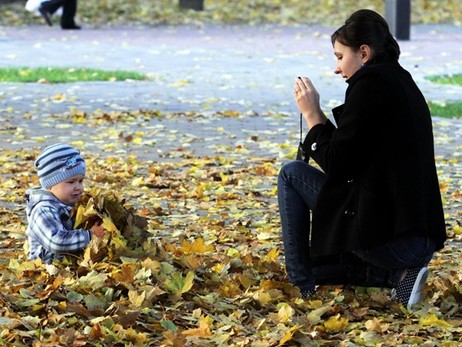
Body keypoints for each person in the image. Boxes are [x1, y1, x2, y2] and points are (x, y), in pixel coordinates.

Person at [277, 9, 446, 310]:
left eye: (340, 57)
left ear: (364, 52)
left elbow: (339, 166)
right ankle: (399, 277)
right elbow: (350, 156)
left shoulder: (371, 87)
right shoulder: (398, 81)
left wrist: (312, 115)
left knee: (291, 173)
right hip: (417, 239)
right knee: (327, 258)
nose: (336, 68)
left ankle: (301, 286)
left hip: (396, 241)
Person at [25, 143, 106, 264]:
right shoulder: (43, 209)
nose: (78, 187)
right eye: (71, 182)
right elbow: (56, 242)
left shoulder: (68, 201)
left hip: (68, 261)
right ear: (50, 184)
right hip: (47, 266)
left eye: (80, 181)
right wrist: (89, 235)